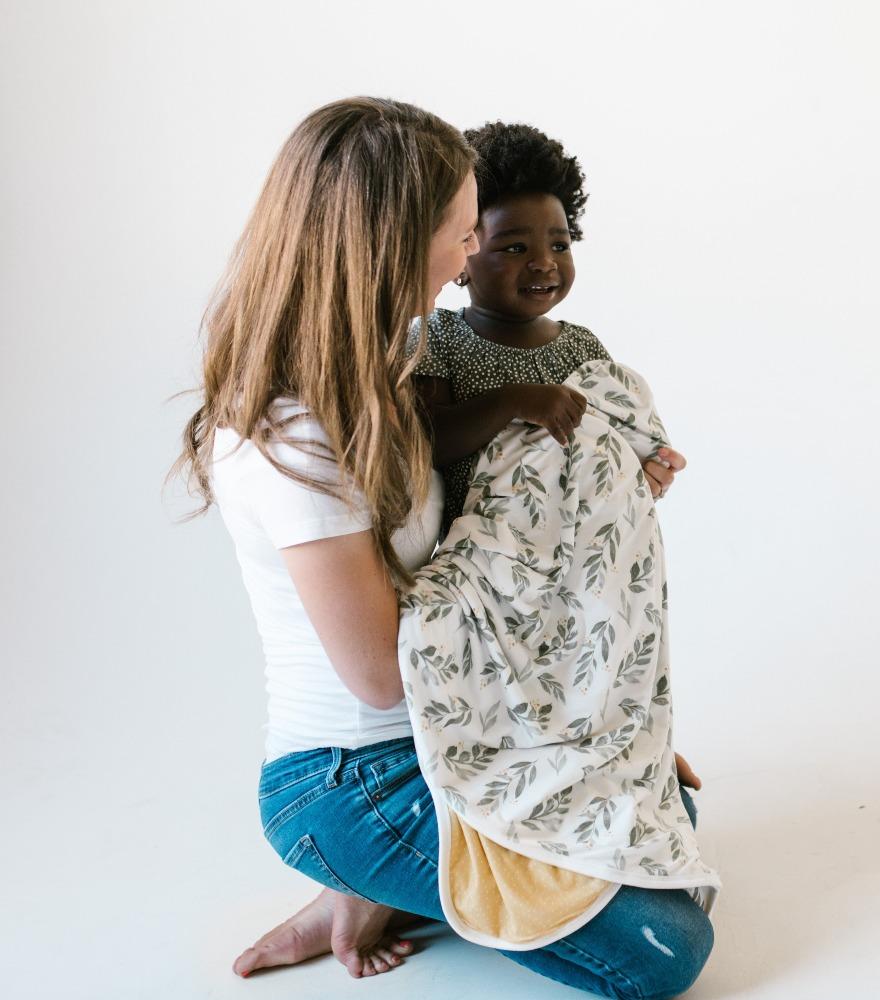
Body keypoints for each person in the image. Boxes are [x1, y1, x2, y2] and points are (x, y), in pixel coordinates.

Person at [175, 97, 713, 998]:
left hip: (457, 727)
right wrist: (570, 737)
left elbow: (497, 524)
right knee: (666, 953)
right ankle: (360, 873)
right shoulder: (300, 431)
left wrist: (600, 729)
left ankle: (390, 889)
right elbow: (386, 675)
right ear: (392, 241)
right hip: (357, 776)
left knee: (670, 806)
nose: (475, 255)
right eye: (464, 233)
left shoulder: (387, 370)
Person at [407, 120, 683, 542]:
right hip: (485, 557)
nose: (543, 263)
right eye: (515, 248)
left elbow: (606, 450)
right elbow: (427, 444)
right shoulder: (438, 337)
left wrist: (644, 471)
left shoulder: (582, 347)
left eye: (560, 245)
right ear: (466, 248)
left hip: (570, 552)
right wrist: (514, 400)